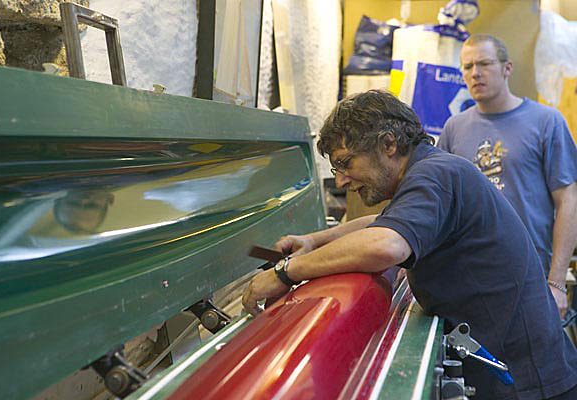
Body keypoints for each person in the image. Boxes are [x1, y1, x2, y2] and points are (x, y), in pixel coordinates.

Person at [241, 90, 577, 399]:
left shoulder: (434, 174)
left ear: (388, 144)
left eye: (345, 162)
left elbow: (386, 245)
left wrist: (285, 272)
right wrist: (313, 241)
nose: (340, 180)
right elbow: (382, 223)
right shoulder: (430, 170)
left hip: (527, 380)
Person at [438, 34, 577, 319]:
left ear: (507, 68)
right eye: (468, 66)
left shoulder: (546, 122)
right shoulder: (454, 128)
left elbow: (568, 201)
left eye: (484, 63)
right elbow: (439, 202)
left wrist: (556, 282)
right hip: (467, 276)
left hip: (529, 275)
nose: (475, 73)